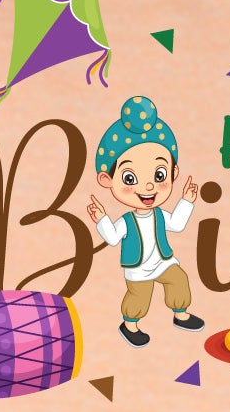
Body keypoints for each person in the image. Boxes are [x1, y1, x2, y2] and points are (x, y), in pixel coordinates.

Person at [85, 95, 203, 345]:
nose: (148, 186)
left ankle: (180, 314)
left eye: (159, 175)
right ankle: (130, 325)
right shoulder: (127, 221)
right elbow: (113, 238)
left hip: (163, 260)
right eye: (130, 178)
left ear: (173, 173)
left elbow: (177, 224)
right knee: (139, 297)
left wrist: (187, 201)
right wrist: (101, 218)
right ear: (107, 180)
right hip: (138, 268)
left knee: (179, 279)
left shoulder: (159, 214)